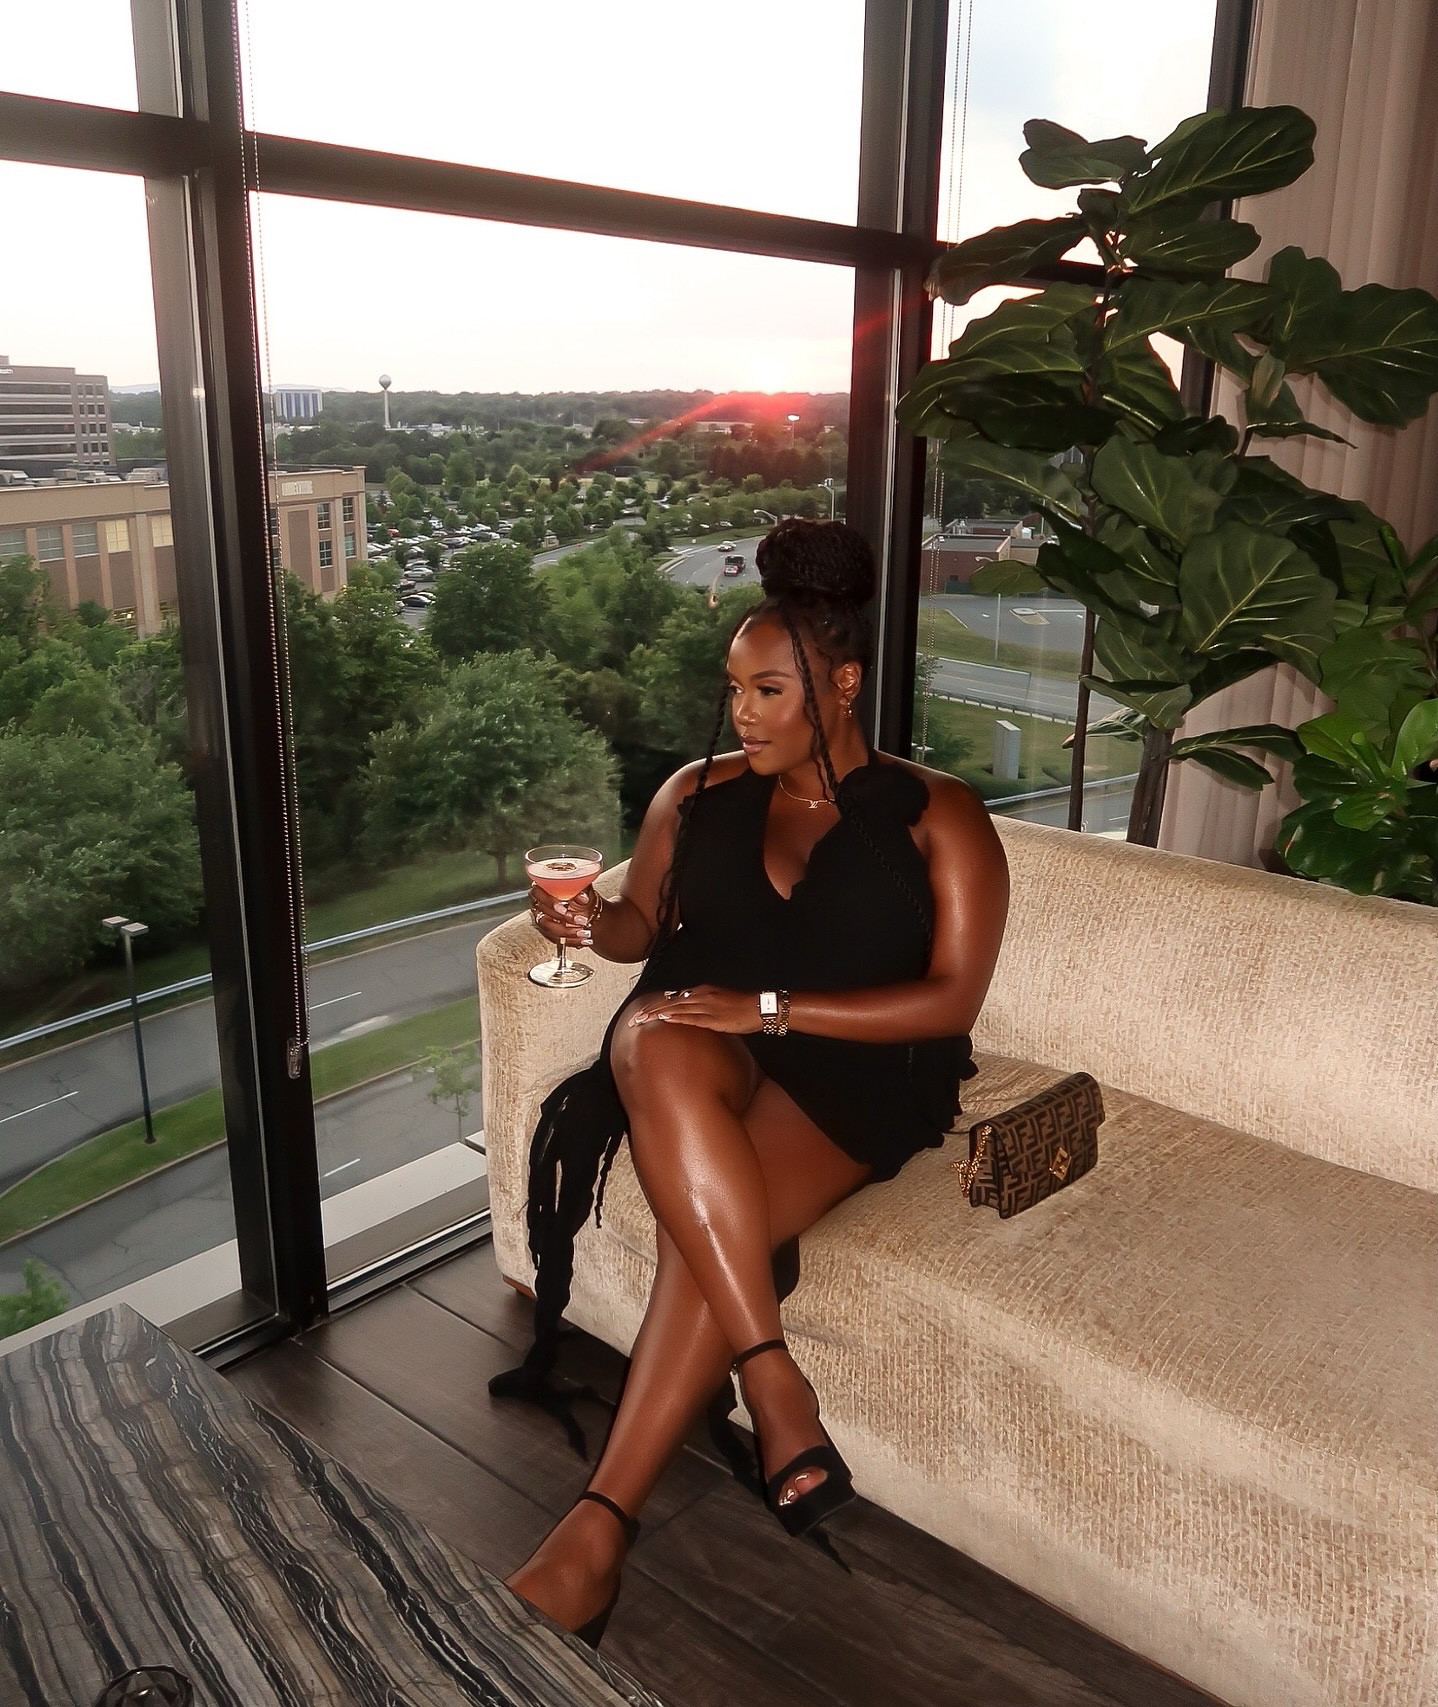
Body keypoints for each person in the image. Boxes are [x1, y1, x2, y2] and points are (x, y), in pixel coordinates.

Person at [499, 518, 1009, 1646]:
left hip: (861, 1072)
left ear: (841, 683)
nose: (742, 714)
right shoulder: (696, 793)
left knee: (702, 1234)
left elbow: (949, 1002)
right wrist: (584, 922)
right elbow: (640, 930)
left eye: (769, 691)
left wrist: (767, 1007)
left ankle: (593, 1537)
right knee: (646, 1037)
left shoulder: (941, 816)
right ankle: (771, 1378)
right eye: (733, 689)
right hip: (707, 1053)